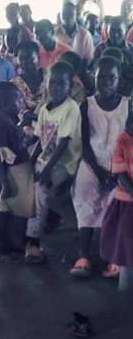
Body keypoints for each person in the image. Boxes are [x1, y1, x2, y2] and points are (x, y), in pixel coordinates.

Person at [70, 57, 127, 279]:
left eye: (111, 77)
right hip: (92, 161)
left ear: (119, 80)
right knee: (84, 194)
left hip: (120, 165)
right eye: (101, 77)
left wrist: (117, 172)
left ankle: (113, 258)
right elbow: (84, 144)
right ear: (94, 79)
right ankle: (83, 255)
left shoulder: (127, 105)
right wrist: (99, 171)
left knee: (117, 201)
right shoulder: (87, 105)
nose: (106, 82)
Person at [26, 62, 82, 263]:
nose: (57, 87)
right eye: (53, 82)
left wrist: (46, 170)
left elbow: (63, 144)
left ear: (70, 86)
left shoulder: (71, 108)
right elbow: (42, 142)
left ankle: (34, 241)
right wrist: (31, 163)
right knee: (32, 188)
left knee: (43, 192)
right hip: (47, 162)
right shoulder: (44, 110)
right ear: (46, 83)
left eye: (62, 83)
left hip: (65, 164)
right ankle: (33, 236)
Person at [0, 81, 34, 262]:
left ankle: (13, 244)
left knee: (14, 211)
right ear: (5, 105)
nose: (21, 103)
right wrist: (5, 184)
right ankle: (0, 249)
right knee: (2, 211)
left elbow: (17, 143)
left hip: (14, 174)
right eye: (18, 100)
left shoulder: (11, 120)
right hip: (3, 176)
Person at [100, 110, 133, 291]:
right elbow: (120, 174)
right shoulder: (123, 139)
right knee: (128, 251)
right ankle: (126, 294)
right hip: (127, 204)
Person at [10, 41, 45, 135]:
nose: (26, 62)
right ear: (17, 60)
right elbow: (17, 110)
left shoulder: (50, 77)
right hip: (27, 125)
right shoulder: (14, 83)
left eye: (30, 58)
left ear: (38, 58)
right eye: (22, 58)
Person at [93, 16, 133, 96]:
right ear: (107, 30)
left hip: (127, 89)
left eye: (119, 30)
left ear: (125, 31)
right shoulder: (100, 49)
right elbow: (94, 71)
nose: (115, 34)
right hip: (104, 88)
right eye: (112, 30)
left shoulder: (131, 49)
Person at [55, 2, 94, 67]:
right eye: (64, 14)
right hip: (60, 71)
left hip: (80, 70)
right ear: (60, 15)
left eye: (71, 14)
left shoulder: (85, 35)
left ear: (76, 15)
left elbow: (88, 58)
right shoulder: (54, 33)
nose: (67, 16)